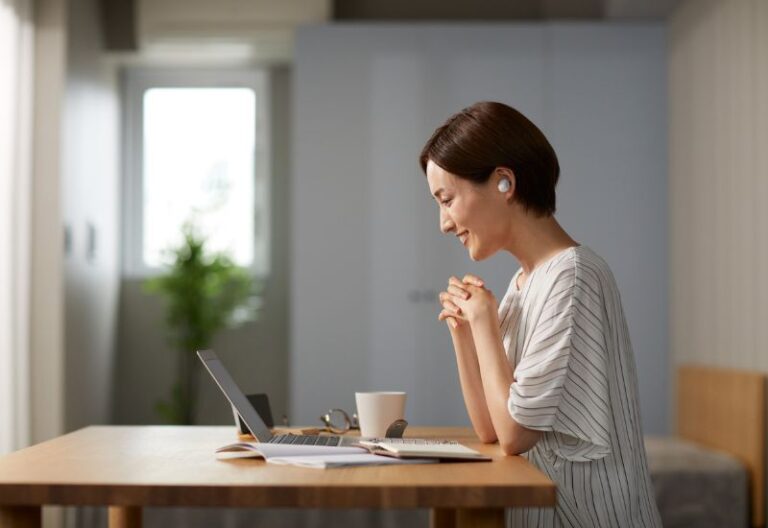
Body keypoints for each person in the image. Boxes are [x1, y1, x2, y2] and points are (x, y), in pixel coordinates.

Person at [420, 101, 662, 527]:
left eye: (447, 200)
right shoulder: (525, 281)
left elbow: (515, 434)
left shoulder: (573, 276)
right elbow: (490, 430)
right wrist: (465, 332)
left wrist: (485, 324)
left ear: (504, 182)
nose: (444, 223)